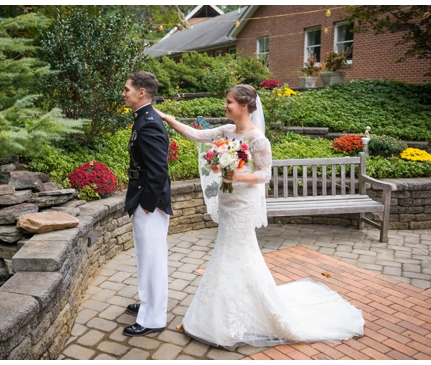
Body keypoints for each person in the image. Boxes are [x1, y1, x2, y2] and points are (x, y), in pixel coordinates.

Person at [157, 84, 365, 348]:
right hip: (227, 200)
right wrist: (167, 117)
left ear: (244, 106)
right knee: (229, 251)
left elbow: (265, 174)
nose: (225, 106)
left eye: (229, 102)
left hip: (243, 205)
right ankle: (224, 311)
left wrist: (237, 175)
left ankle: (230, 317)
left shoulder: (258, 139)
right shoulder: (227, 131)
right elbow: (196, 135)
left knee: (234, 252)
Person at [120, 71, 173, 337]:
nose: (123, 93)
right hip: (143, 197)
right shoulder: (144, 117)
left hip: (149, 202)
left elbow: (158, 171)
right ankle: (147, 302)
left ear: (142, 92)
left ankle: (153, 318)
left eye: (127, 88)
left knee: (153, 259)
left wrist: (148, 206)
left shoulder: (149, 122)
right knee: (145, 256)